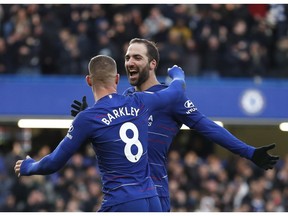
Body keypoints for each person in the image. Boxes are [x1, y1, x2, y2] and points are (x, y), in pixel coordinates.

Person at [71, 38, 280, 212]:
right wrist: (89, 120)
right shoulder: (126, 100)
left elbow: (209, 127)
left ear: (153, 64)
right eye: (127, 58)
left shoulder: (170, 99)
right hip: (126, 197)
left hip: (155, 195)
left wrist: (249, 152)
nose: (129, 62)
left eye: (137, 57)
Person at [14, 55, 187, 212]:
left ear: (89, 80)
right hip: (152, 200)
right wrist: (177, 74)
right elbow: (177, 91)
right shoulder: (139, 101)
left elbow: (53, 163)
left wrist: (28, 166)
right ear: (117, 79)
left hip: (122, 202)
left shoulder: (88, 119)